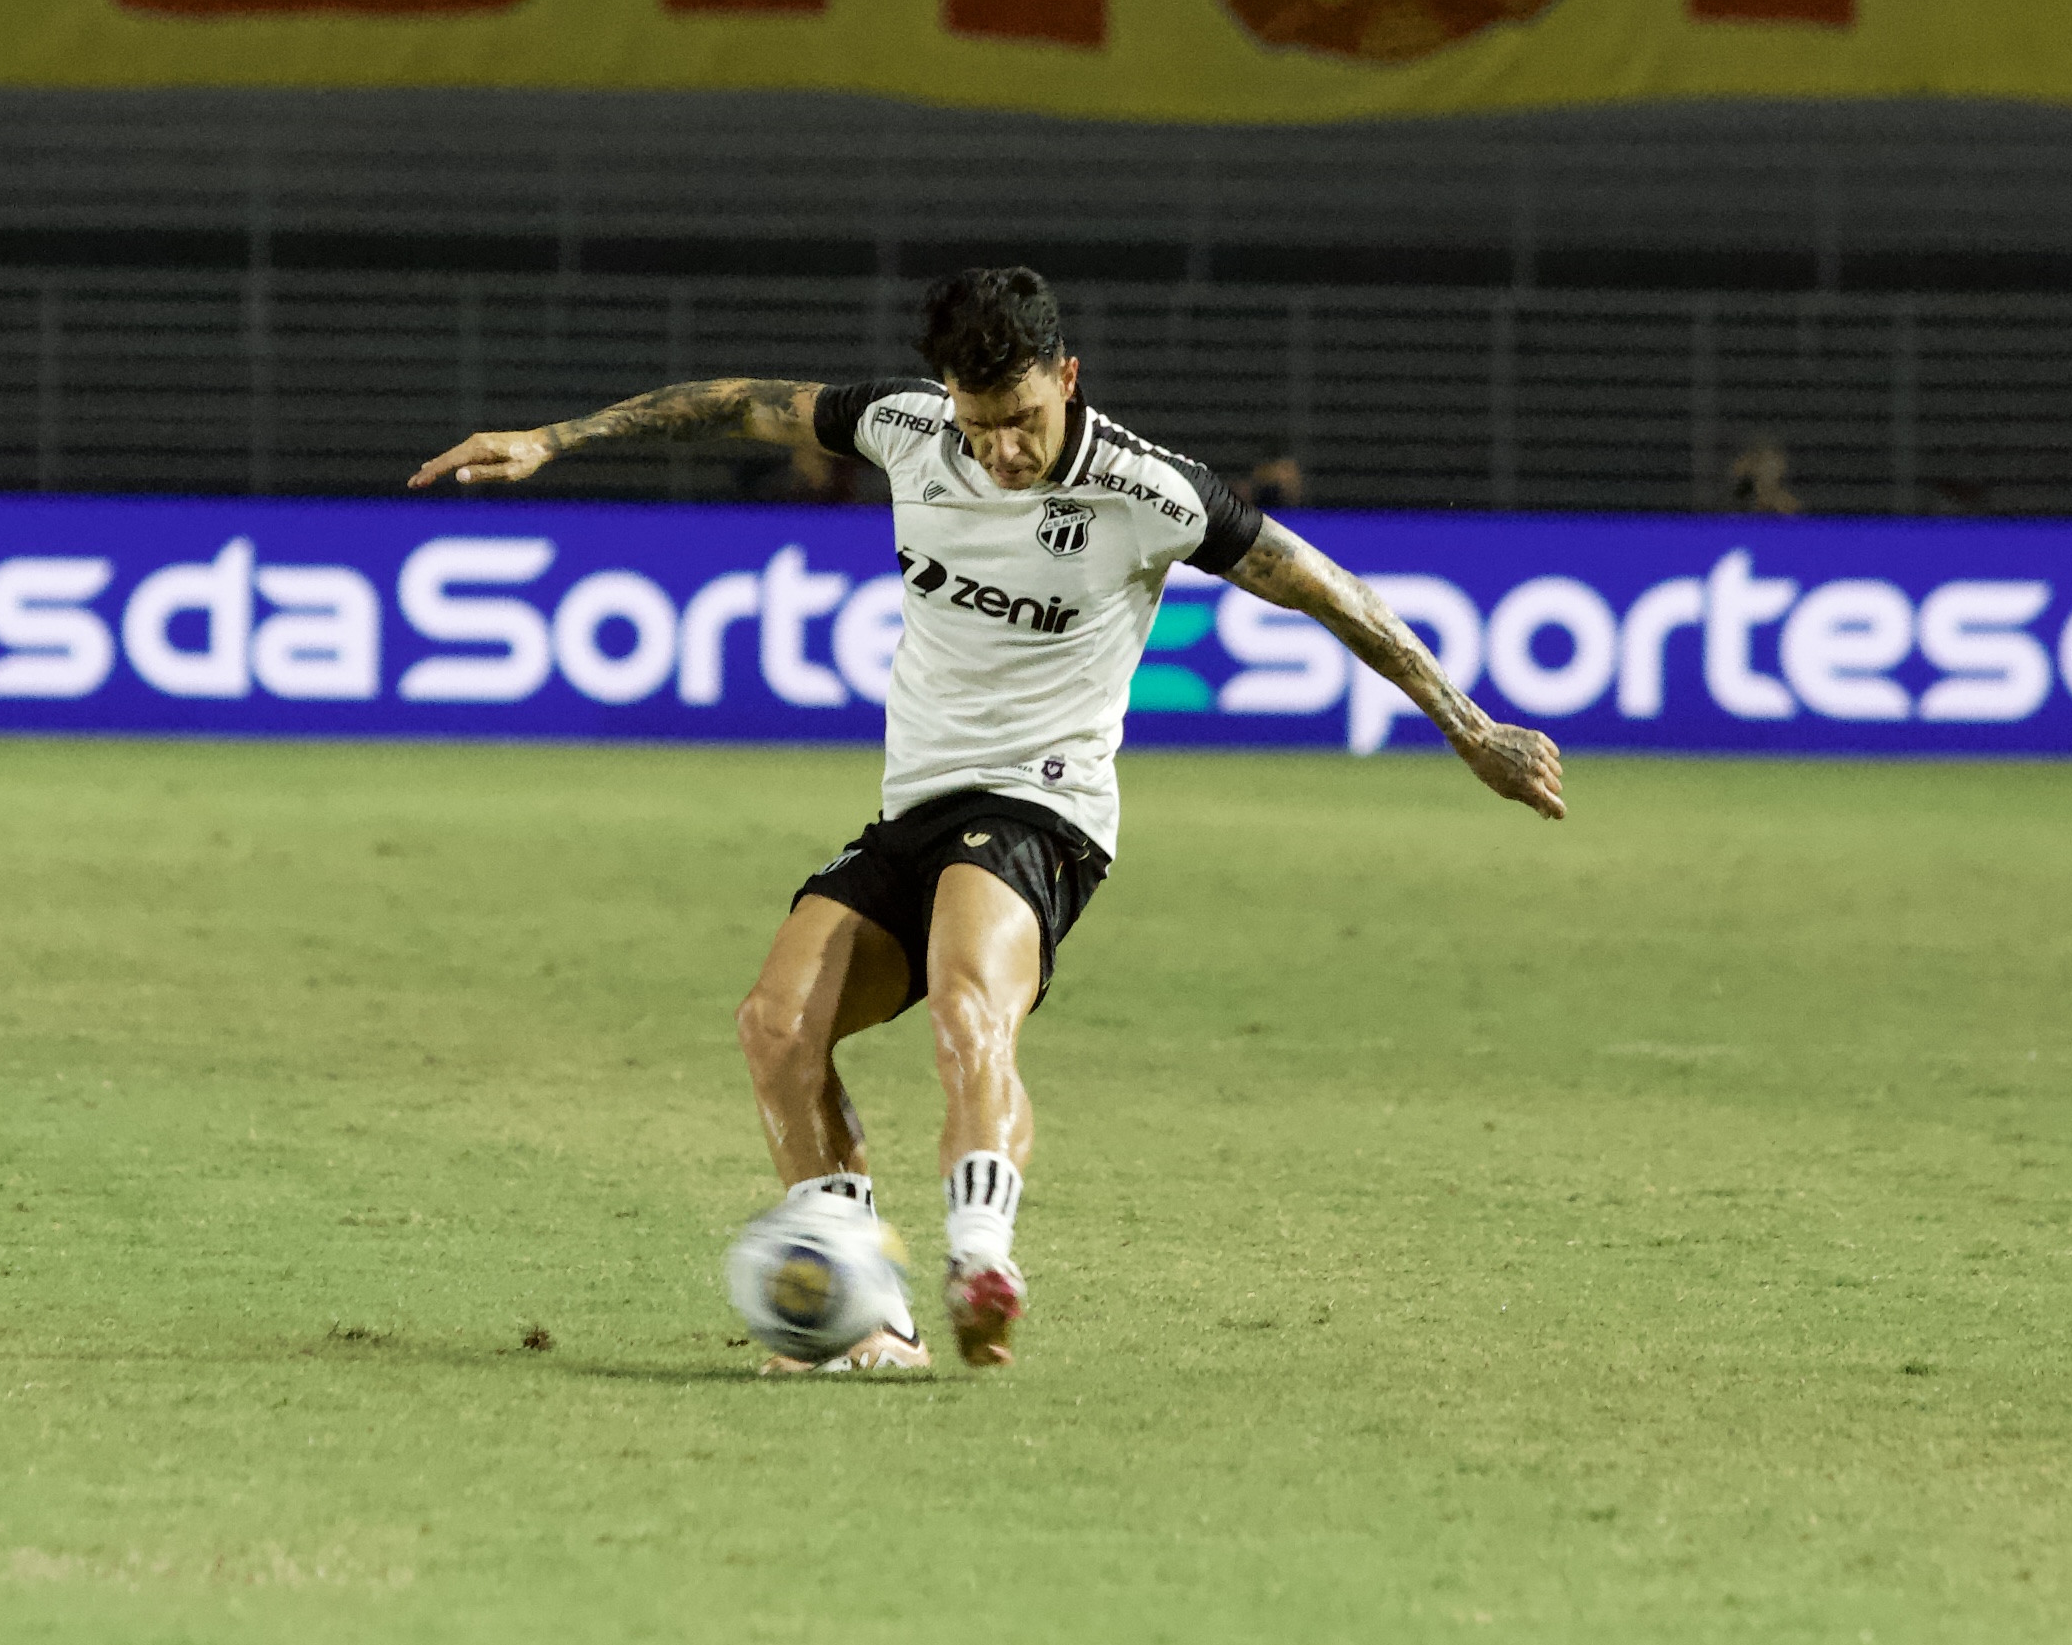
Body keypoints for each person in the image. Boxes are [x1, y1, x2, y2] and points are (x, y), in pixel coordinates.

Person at [408, 268, 1565, 1372]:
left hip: (1039, 809)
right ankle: (866, 1314)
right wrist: (556, 440)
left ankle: (981, 1263)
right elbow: (740, 404)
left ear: (1067, 374)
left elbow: (1324, 587)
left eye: (1017, 416)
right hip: (913, 806)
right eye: (978, 423)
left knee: (968, 1000)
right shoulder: (911, 428)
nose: (999, 449)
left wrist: (1470, 727)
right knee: (774, 1028)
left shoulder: (1149, 492)